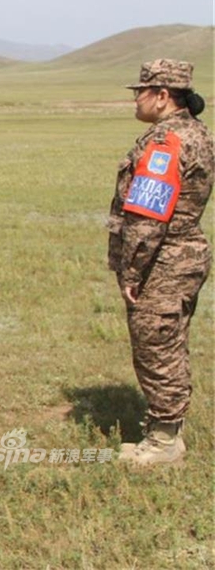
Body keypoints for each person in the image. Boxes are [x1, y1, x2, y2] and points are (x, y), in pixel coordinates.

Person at [107, 59, 213, 466]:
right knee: (171, 345)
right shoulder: (197, 133)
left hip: (162, 263)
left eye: (141, 92)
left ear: (163, 96)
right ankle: (167, 433)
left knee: (157, 351)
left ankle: (164, 443)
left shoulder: (165, 143)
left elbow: (148, 216)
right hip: (185, 255)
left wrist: (132, 270)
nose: (136, 99)